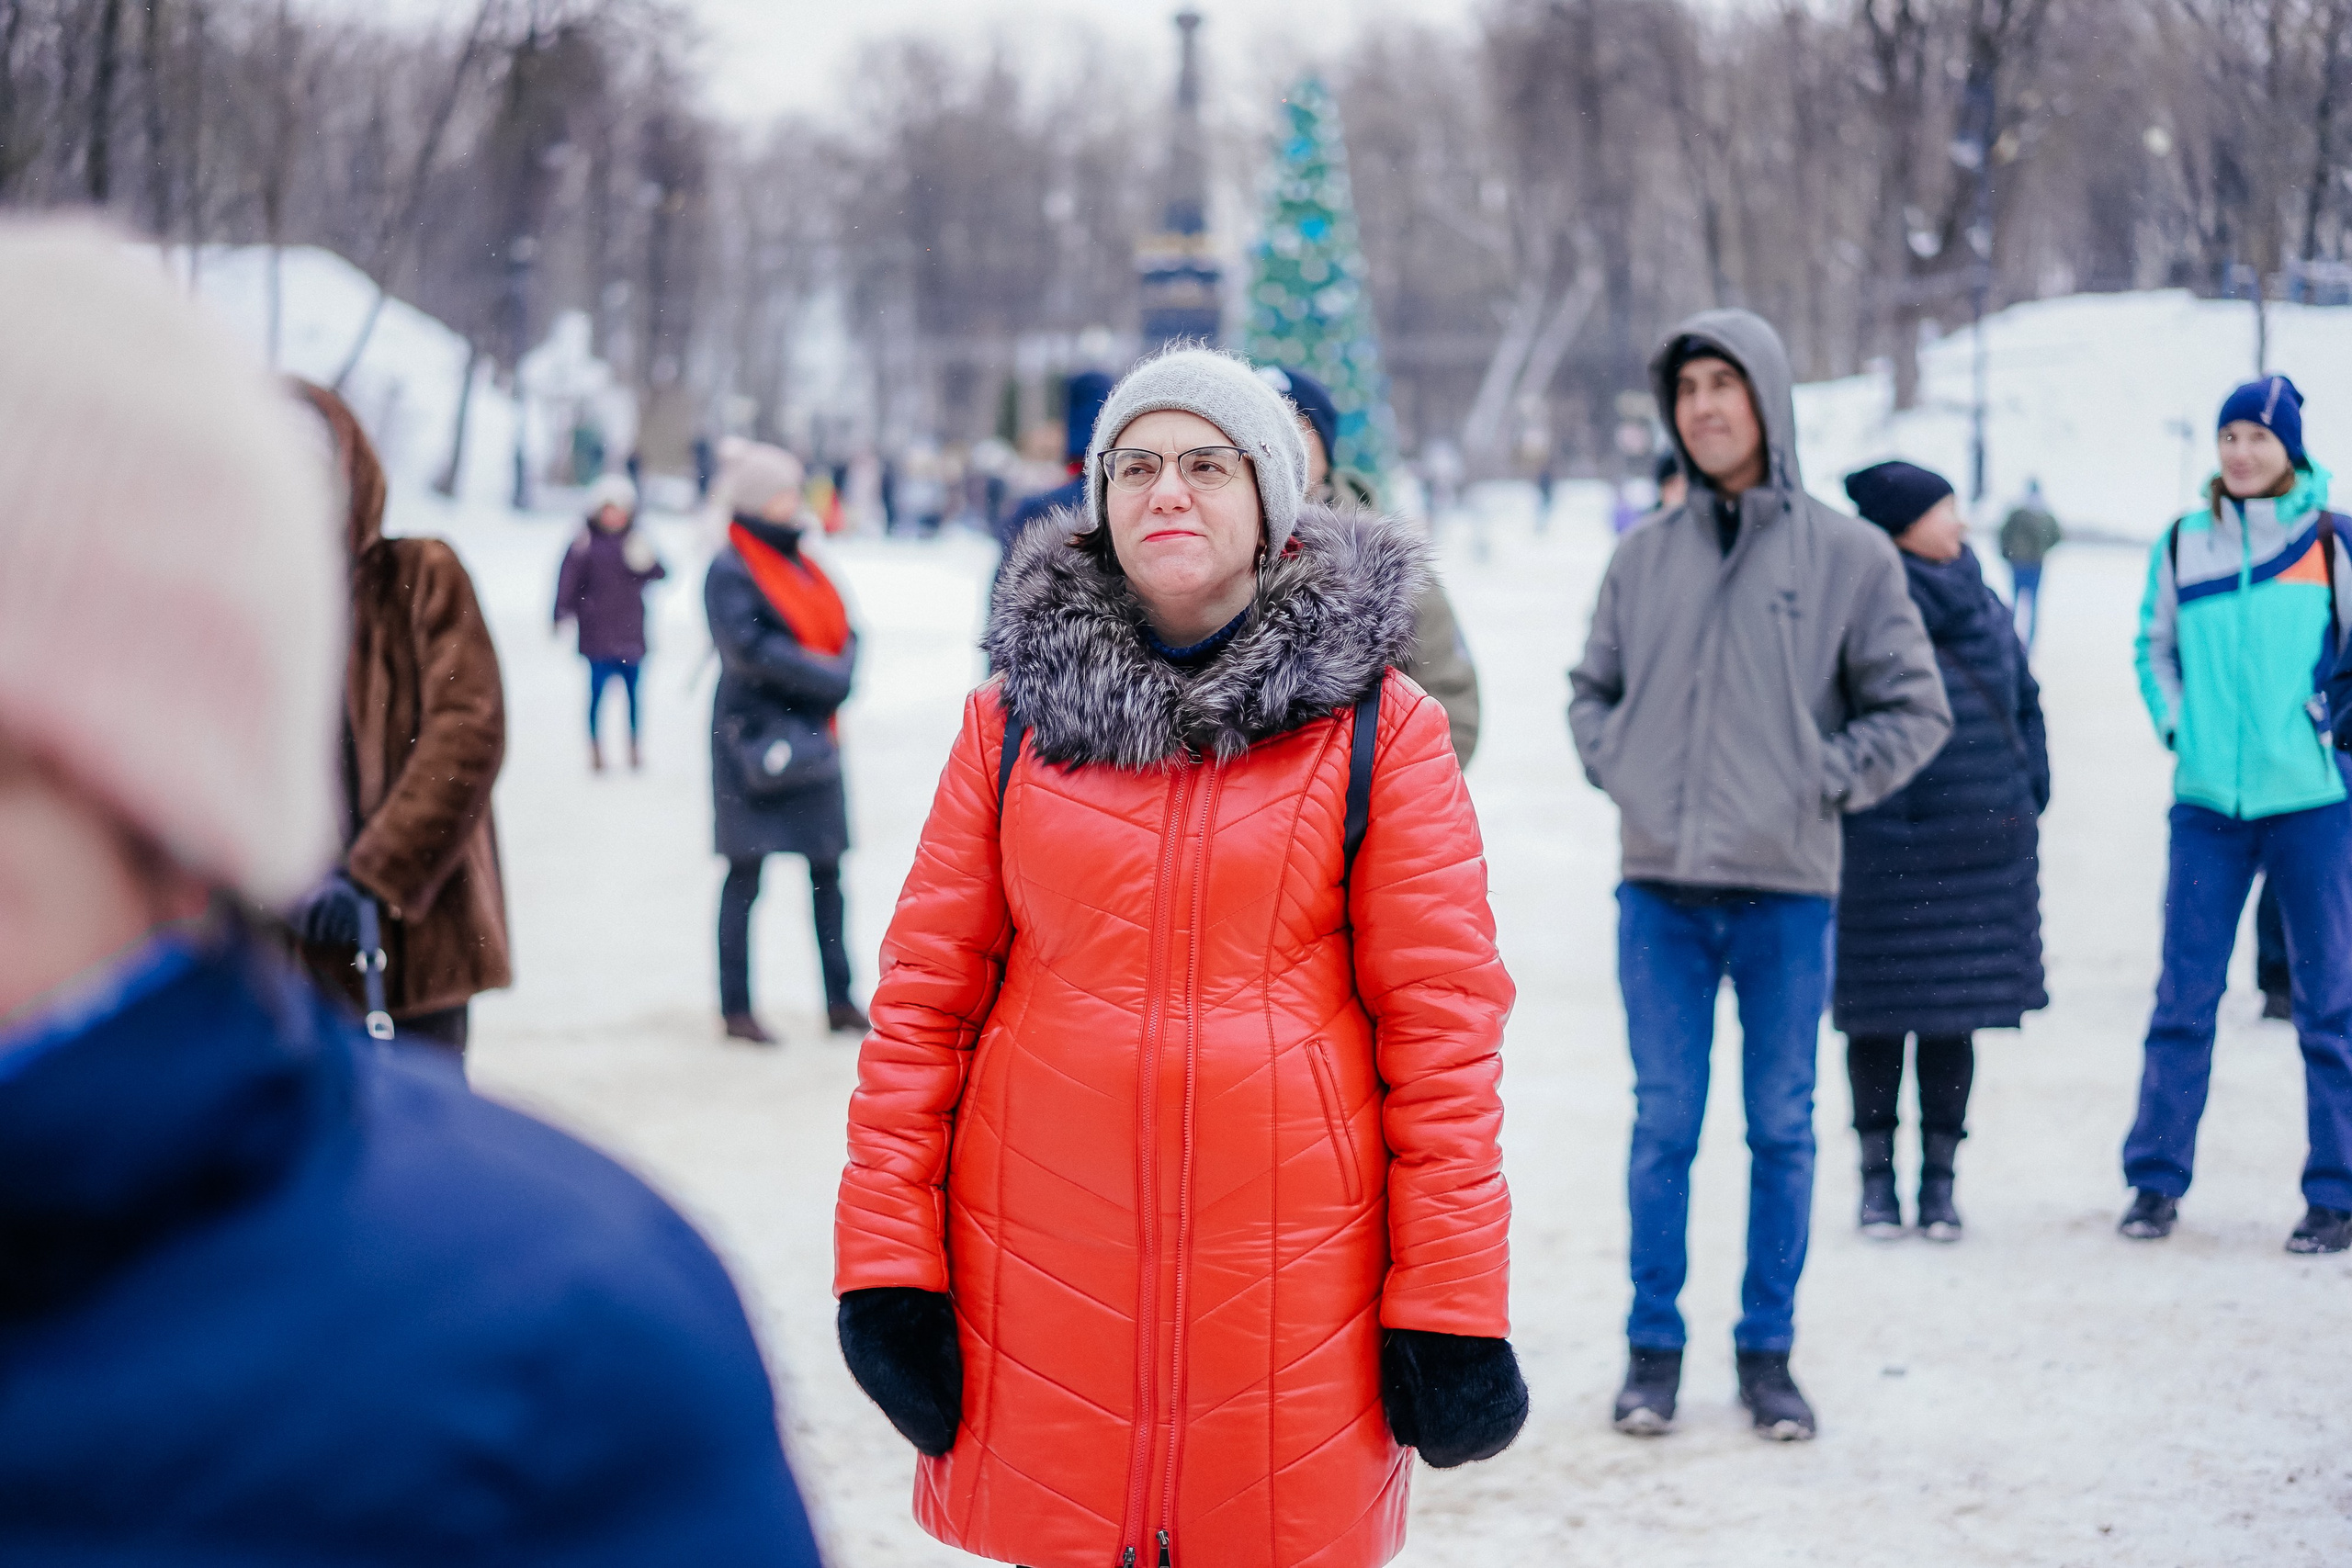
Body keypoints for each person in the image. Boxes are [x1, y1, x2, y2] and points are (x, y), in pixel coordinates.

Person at [0, 219, 821, 1565]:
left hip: (403, 924)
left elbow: (466, 731)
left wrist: (371, 869)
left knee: (399, 1111)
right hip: (275, 923)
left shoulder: (557, 1337)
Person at [832, 348, 1524, 1568]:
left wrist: (1451, 1304)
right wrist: (889, 1266)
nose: (1168, 491)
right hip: (1041, 1279)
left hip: (1293, 1292)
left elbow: (1443, 1036)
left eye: (1208, 464)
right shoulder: (1007, 729)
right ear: (1099, 502)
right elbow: (923, 1009)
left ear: (1268, 499)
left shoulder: (1382, 728)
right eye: (1136, 465)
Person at [1568, 309, 1950, 1441]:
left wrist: (1817, 780)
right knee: (1663, 1129)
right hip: (1660, 898)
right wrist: (1625, 770)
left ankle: (1767, 1354)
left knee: (1781, 1131)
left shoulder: (1847, 555)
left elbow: (1912, 706)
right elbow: (1590, 692)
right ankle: (1652, 1355)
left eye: (1725, 384)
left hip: (1786, 895)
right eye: (1688, 389)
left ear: (1767, 400)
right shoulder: (1641, 555)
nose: (1704, 407)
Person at [2124, 374, 2352, 1254]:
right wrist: (2180, 724)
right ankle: (2154, 1180)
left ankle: (2335, 1191)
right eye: (2229, 437)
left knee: (2330, 1005)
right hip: (2209, 807)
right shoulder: (2186, 543)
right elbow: (2155, 647)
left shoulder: (2330, 542)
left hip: (2313, 804)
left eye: (2258, 436)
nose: (2242, 452)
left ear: (2288, 447)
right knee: (2184, 998)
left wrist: (2330, 733)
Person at [1838, 461, 2050, 1244]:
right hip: (1883, 844)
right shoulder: (1858, 600)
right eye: (1945, 508)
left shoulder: (1978, 589)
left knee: (1952, 1016)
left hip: (1979, 840)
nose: (1960, 522)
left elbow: (2023, 693)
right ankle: (1875, 1181)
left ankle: (1939, 1182)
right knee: (1879, 1018)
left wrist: (2031, 785)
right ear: (1901, 523)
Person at [286, 381, 509, 1058]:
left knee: (419, 1143)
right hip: (275, 961)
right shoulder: (227, 603)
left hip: (413, 942)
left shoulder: (420, 574)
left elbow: (467, 730)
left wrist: (373, 874)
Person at [707, 439, 867, 1045]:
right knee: (744, 876)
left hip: (813, 734)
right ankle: (736, 1007)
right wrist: (830, 678)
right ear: (756, 499)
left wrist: (840, 669)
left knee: (828, 871)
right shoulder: (730, 568)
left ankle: (839, 997)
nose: (794, 502)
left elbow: (848, 628)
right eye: (783, 492)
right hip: (754, 738)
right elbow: (750, 651)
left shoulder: (805, 562)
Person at [1260, 362, 1484, 766]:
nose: (1279, 446)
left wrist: (1374, 805)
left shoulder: (1385, 560)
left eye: (1296, 429)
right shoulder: (1214, 549)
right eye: (1261, 429)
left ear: (1325, 447)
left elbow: (1450, 704)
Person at [555, 471, 667, 774]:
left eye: (620, 509)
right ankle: (595, 747)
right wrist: (560, 612)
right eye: (609, 509)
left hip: (631, 631)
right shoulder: (584, 543)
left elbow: (659, 573)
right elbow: (567, 580)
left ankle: (633, 745)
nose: (614, 516)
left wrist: (647, 557)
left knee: (634, 696)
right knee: (597, 695)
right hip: (597, 634)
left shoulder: (636, 540)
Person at [1998, 480, 2062, 650]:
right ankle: (2014, 641)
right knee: (2019, 604)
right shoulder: (2025, 514)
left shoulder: (2040, 515)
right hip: (2024, 564)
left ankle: (2023, 644)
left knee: (2025, 605)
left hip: (2030, 564)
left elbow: (2056, 536)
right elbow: (2004, 534)